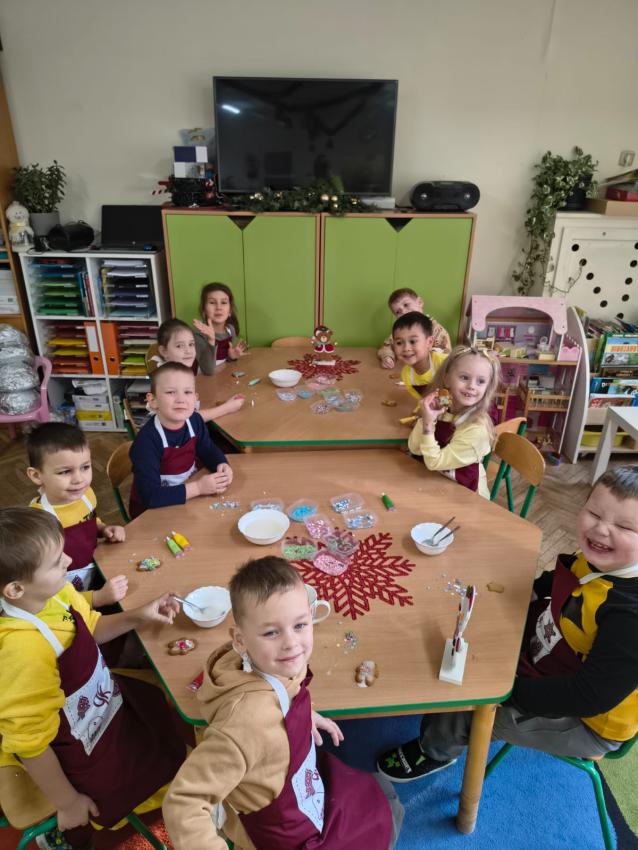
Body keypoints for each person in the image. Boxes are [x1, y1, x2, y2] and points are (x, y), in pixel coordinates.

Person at [378, 465, 638, 783]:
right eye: (594, 513)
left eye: (625, 527)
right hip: (550, 656)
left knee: (469, 705)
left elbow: (588, 696)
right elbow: (565, 576)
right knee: (474, 634)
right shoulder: (604, 557)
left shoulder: (630, 617)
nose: (600, 529)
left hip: (586, 719)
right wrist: (533, 590)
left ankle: (435, 749)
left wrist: (507, 692)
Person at [163, 557, 404, 850]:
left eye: (299, 625)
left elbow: (278, 693)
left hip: (301, 786)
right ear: (240, 640)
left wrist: (303, 714)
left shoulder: (267, 663)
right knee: (382, 813)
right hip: (281, 831)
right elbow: (184, 802)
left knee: (379, 799)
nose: (291, 642)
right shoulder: (246, 723)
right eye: (271, 632)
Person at [0, 507, 186, 850]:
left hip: (101, 702)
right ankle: (63, 837)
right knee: (131, 781)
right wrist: (68, 802)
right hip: (69, 743)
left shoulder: (55, 595)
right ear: (14, 589)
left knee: (160, 729)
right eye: (56, 562)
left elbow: (91, 628)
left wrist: (139, 616)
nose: (70, 561)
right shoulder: (22, 651)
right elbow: (31, 745)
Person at [26, 423, 127, 606]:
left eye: (85, 467)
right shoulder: (38, 520)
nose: (79, 479)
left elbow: (90, 519)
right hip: (65, 588)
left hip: (96, 565)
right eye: (65, 471)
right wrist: (97, 598)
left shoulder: (86, 495)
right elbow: (48, 594)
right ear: (36, 476)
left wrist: (103, 529)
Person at [128, 362, 233, 518]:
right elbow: (150, 497)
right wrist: (198, 488)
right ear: (153, 400)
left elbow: (207, 449)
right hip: (153, 511)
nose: (181, 399)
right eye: (171, 392)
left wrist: (221, 463)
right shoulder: (146, 443)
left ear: (195, 398)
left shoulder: (195, 421)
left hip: (187, 492)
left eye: (187, 392)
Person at [407, 345, 500, 498]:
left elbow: (434, 462)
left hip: (466, 494)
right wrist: (426, 418)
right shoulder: (444, 407)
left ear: (487, 387)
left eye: (481, 381)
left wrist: (428, 426)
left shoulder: (477, 429)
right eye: (464, 378)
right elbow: (415, 448)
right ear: (447, 379)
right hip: (436, 481)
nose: (471, 386)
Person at [150, 318, 245, 420]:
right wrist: (227, 408)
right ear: (164, 351)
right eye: (179, 346)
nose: (188, 351)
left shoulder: (181, 371)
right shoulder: (168, 380)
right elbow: (187, 419)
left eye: (191, 344)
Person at [378, 287, 451, 369]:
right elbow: (387, 346)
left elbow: (445, 356)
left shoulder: (437, 330)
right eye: (398, 312)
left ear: (419, 302)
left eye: (406, 305)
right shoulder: (400, 332)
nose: (404, 312)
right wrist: (387, 357)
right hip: (407, 371)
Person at [392, 311, 449, 401]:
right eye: (399, 343)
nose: (406, 348)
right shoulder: (407, 375)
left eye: (412, 341)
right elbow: (423, 400)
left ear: (429, 342)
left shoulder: (445, 363)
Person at [192, 282, 247, 372]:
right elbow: (208, 370)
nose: (218, 307)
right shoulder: (198, 333)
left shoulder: (230, 330)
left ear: (230, 310)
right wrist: (211, 339)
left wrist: (231, 356)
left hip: (222, 375)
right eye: (212, 302)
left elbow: (224, 361)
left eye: (223, 302)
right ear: (204, 309)